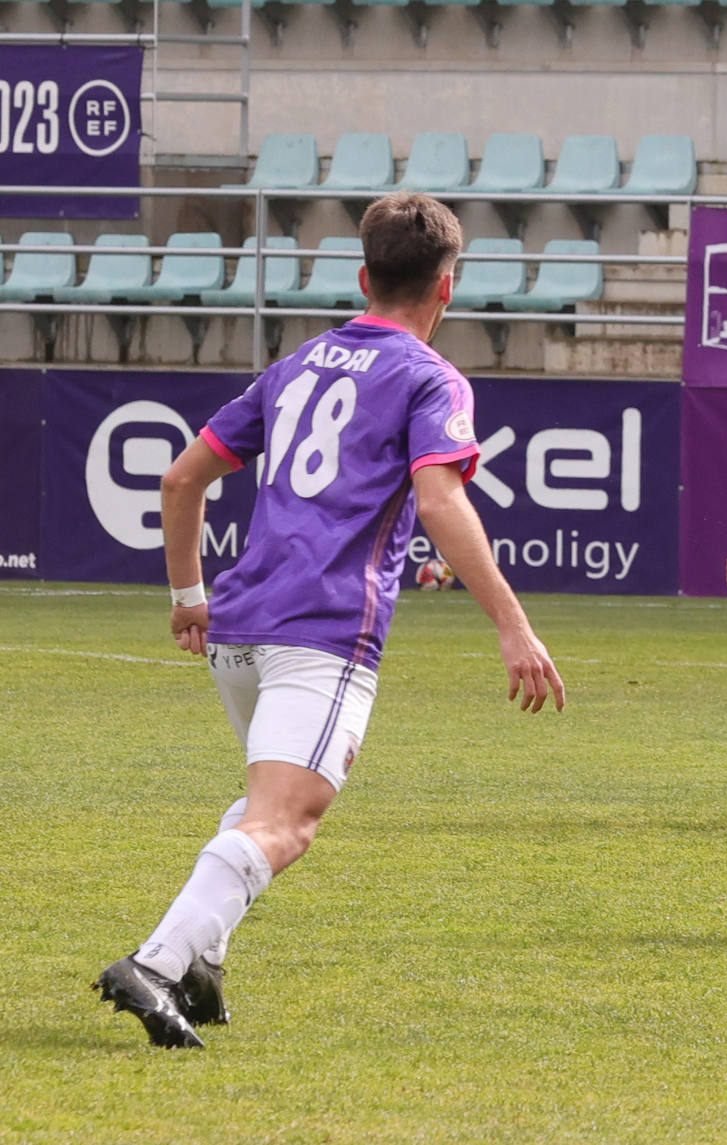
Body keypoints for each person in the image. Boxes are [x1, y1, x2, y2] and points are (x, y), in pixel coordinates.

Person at [94, 191, 565, 1048]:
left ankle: (203, 961)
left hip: (236, 631)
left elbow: (179, 481)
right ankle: (156, 963)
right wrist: (511, 623)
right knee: (288, 821)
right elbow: (440, 498)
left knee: (260, 804)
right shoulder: (430, 377)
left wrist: (186, 596)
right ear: (446, 290)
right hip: (321, 635)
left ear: (362, 275)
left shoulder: (299, 362)